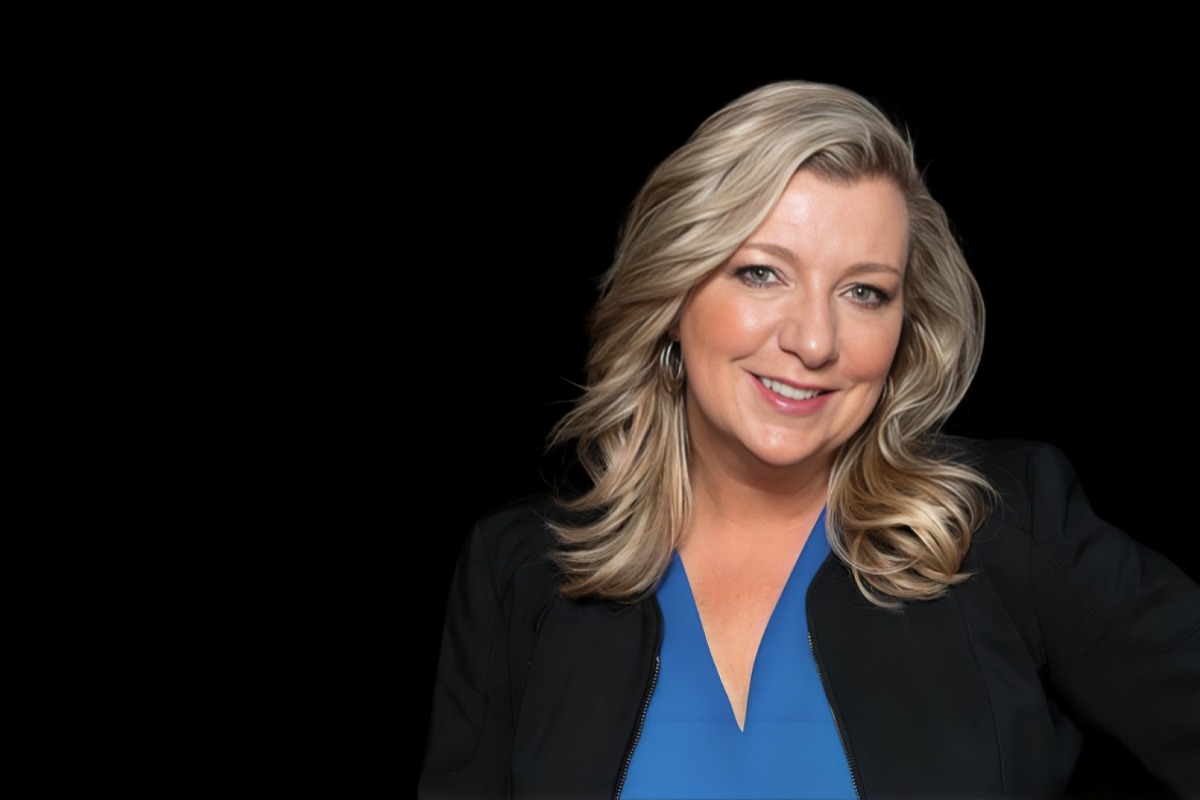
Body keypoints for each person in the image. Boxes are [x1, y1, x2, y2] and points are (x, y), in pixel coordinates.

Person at [418, 81, 1200, 799]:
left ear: (905, 324)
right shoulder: (517, 572)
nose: (816, 341)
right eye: (763, 273)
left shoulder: (1006, 528)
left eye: (864, 292)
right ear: (673, 292)